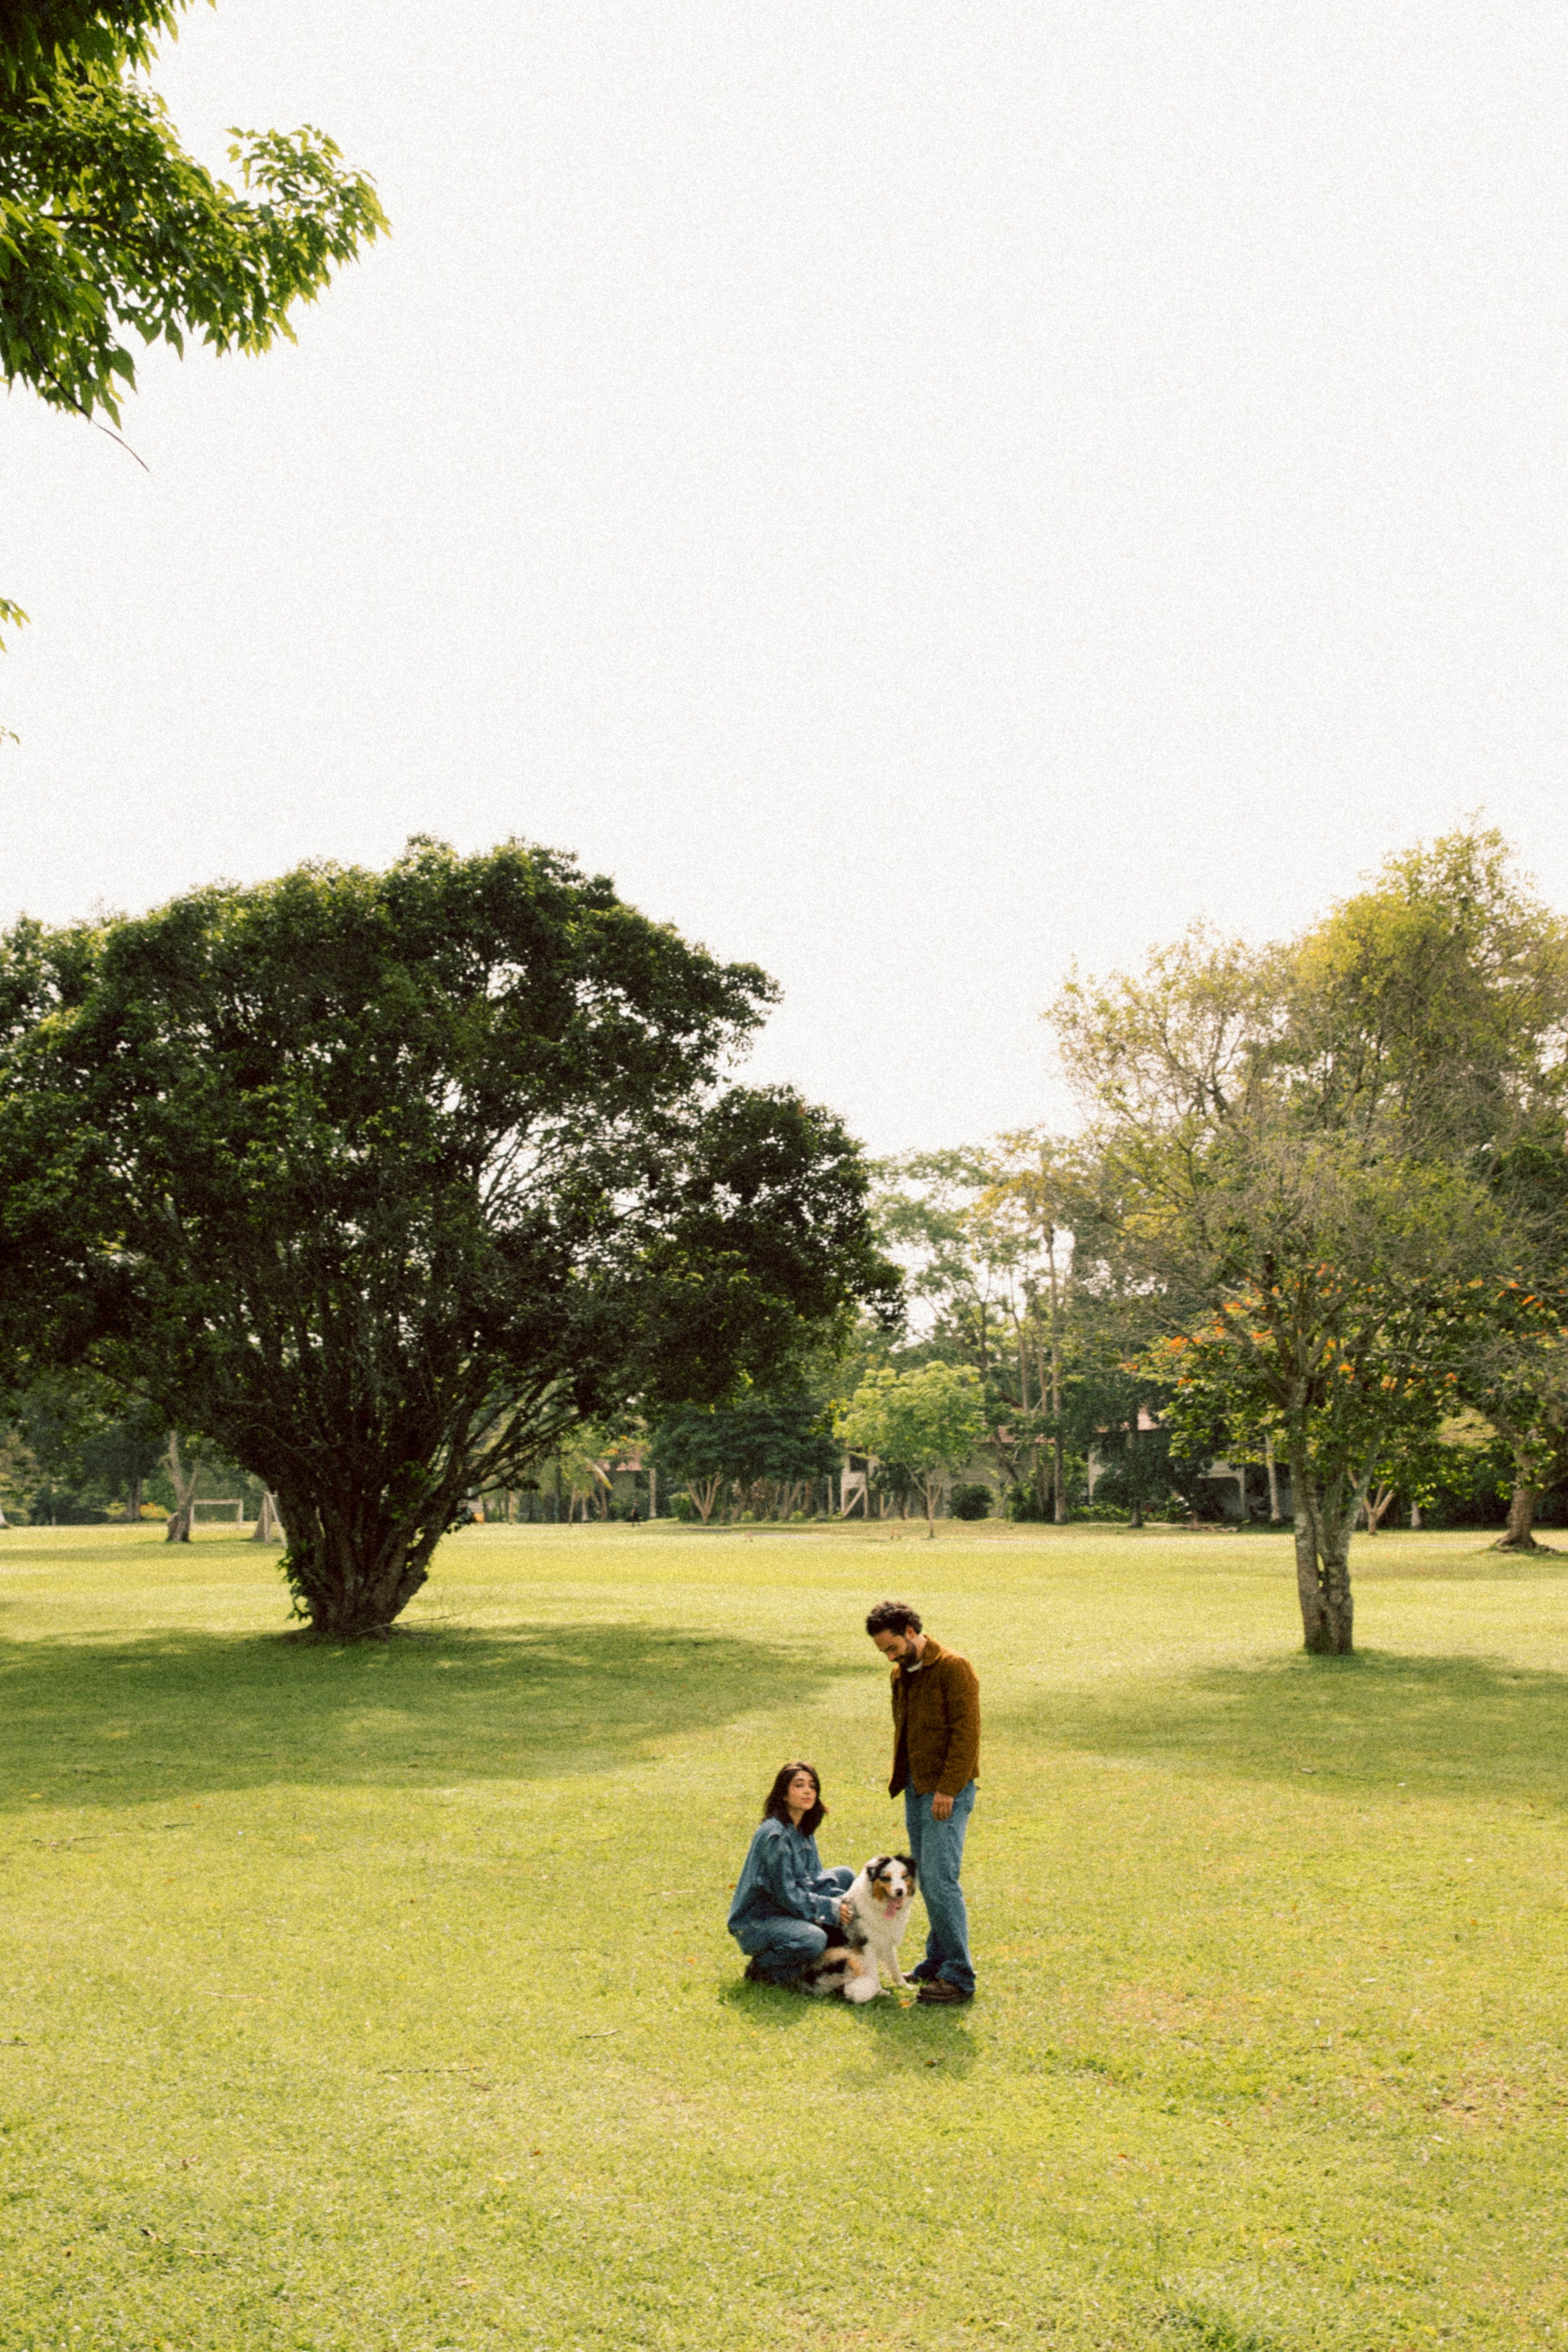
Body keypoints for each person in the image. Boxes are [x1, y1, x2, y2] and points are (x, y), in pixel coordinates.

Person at [865, 1599, 979, 2006]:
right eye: (884, 1652)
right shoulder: (901, 1674)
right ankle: (937, 1960)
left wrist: (947, 1789)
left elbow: (967, 1734)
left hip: (947, 1789)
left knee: (940, 1879)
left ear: (910, 1633)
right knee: (925, 1877)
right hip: (916, 1788)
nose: (889, 1657)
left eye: (892, 1648)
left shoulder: (953, 1667)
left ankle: (960, 1977)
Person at [727, 1762, 854, 1987]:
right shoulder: (774, 1835)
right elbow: (787, 1894)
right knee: (813, 1939)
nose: (808, 1791)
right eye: (799, 1785)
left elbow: (814, 1878)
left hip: (786, 1909)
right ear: (784, 1794)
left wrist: (840, 1899)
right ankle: (764, 1969)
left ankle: (842, 1956)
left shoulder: (802, 1827)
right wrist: (832, 1908)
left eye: (813, 1786)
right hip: (759, 1920)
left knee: (846, 1876)